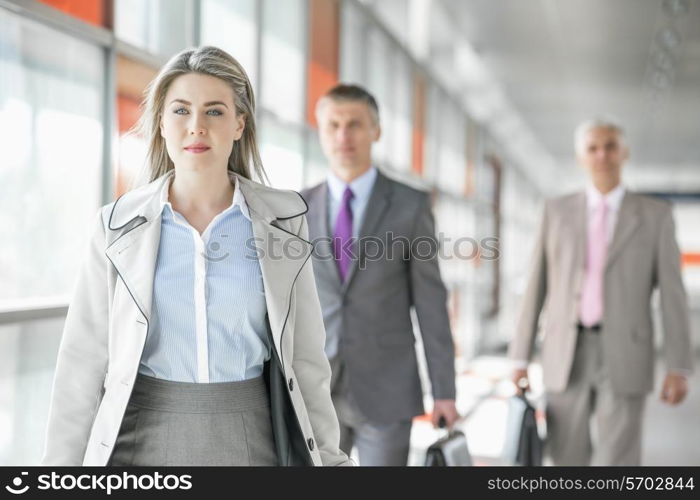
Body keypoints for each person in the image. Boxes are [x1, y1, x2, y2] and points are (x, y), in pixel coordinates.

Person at [41, 46, 352, 466]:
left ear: (240, 124)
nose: (196, 127)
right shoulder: (115, 227)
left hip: (251, 439)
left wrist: (329, 461)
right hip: (140, 442)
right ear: (162, 124)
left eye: (215, 112)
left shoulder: (284, 223)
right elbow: (82, 364)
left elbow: (307, 361)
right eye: (181, 111)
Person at [509, 117, 693, 466]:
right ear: (581, 157)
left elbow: (673, 295)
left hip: (626, 351)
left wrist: (678, 365)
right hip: (566, 351)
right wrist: (519, 357)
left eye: (610, 147)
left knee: (619, 459)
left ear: (625, 153)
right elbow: (536, 287)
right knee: (566, 456)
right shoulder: (556, 211)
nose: (602, 155)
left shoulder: (655, 216)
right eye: (592, 148)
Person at [300, 84, 459, 466]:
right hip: (315, 387)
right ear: (320, 131)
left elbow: (431, 303)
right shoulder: (296, 207)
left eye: (354, 124)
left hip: (387, 386)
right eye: (333, 125)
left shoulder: (411, 205)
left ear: (376, 131)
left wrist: (445, 391)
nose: (343, 136)